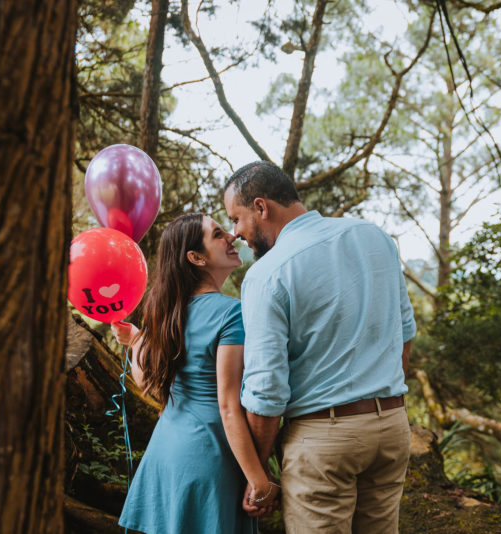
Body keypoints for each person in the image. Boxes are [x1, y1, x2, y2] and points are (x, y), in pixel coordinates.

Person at [223, 161, 417, 533]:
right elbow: (404, 335)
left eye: (237, 218)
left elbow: (267, 390)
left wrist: (258, 472)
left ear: (262, 207)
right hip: (392, 426)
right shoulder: (374, 236)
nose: (236, 234)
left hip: (323, 440)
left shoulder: (267, 274)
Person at [111, 213, 278, 534]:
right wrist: (260, 481)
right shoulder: (232, 313)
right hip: (209, 461)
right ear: (196, 258)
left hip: (164, 456)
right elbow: (228, 407)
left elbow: (147, 382)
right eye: (218, 234)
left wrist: (135, 341)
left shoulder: (164, 310)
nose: (231, 236)